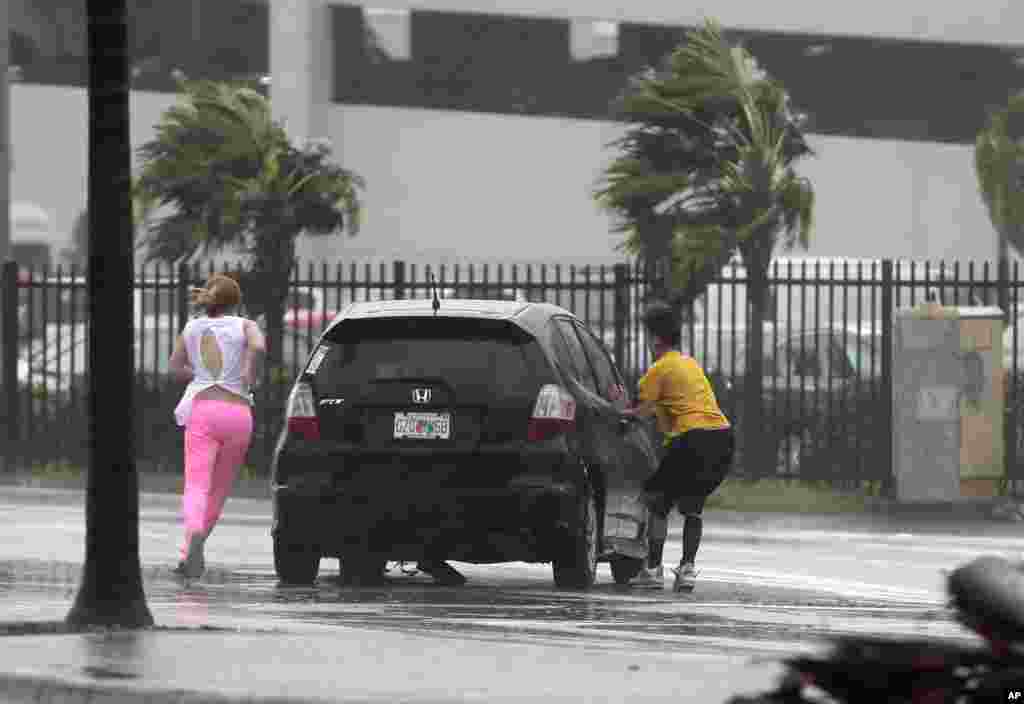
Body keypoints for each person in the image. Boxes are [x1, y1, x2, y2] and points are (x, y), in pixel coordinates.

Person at [621, 303, 734, 592]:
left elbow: (640, 410)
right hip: (721, 438)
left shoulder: (658, 369)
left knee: (655, 501)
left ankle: (653, 569)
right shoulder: (689, 364)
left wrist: (617, 409)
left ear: (656, 339)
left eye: (647, 336)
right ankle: (687, 570)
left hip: (691, 439)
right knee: (692, 508)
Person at [169, 274, 266, 578]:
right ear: (235, 302)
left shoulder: (192, 328)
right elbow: (259, 347)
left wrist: (201, 373)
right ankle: (190, 552)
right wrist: (249, 372)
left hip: (204, 411)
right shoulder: (245, 325)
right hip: (238, 415)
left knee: (196, 483)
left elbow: (175, 368)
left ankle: (192, 537)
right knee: (219, 489)